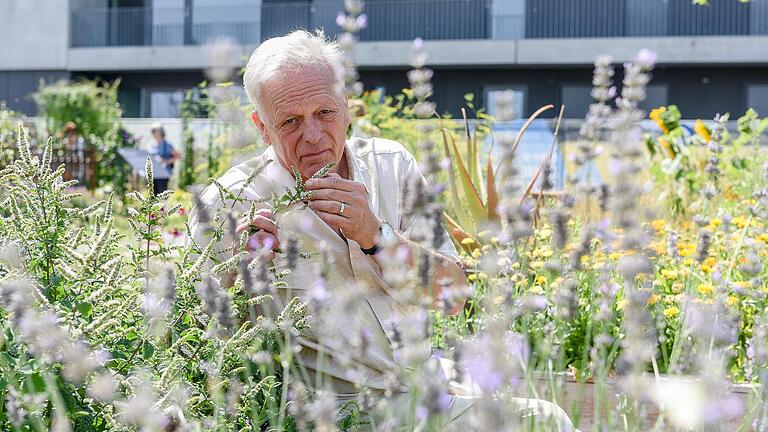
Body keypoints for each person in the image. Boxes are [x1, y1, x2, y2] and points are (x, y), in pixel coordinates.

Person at [189, 30, 578, 430]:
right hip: (333, 412)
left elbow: (454, 297)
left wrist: (375, 234)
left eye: (325, 113)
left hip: (425, 384)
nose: (313, 135)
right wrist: (233, 267)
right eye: (290, 121)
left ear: (346, 106)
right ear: (261, 127)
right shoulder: (230, 202)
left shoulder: (391, 165)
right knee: (543, 421)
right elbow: (189, 337)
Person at [149, 123, 180, 194]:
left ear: (160, 132)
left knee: (162, 194)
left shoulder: (167, 145)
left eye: (154, 131)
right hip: (154, 173)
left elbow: (178, 156)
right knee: (153, 195)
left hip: (164, 174)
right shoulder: (153, 144)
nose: (153, 134)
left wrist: (166, 161)